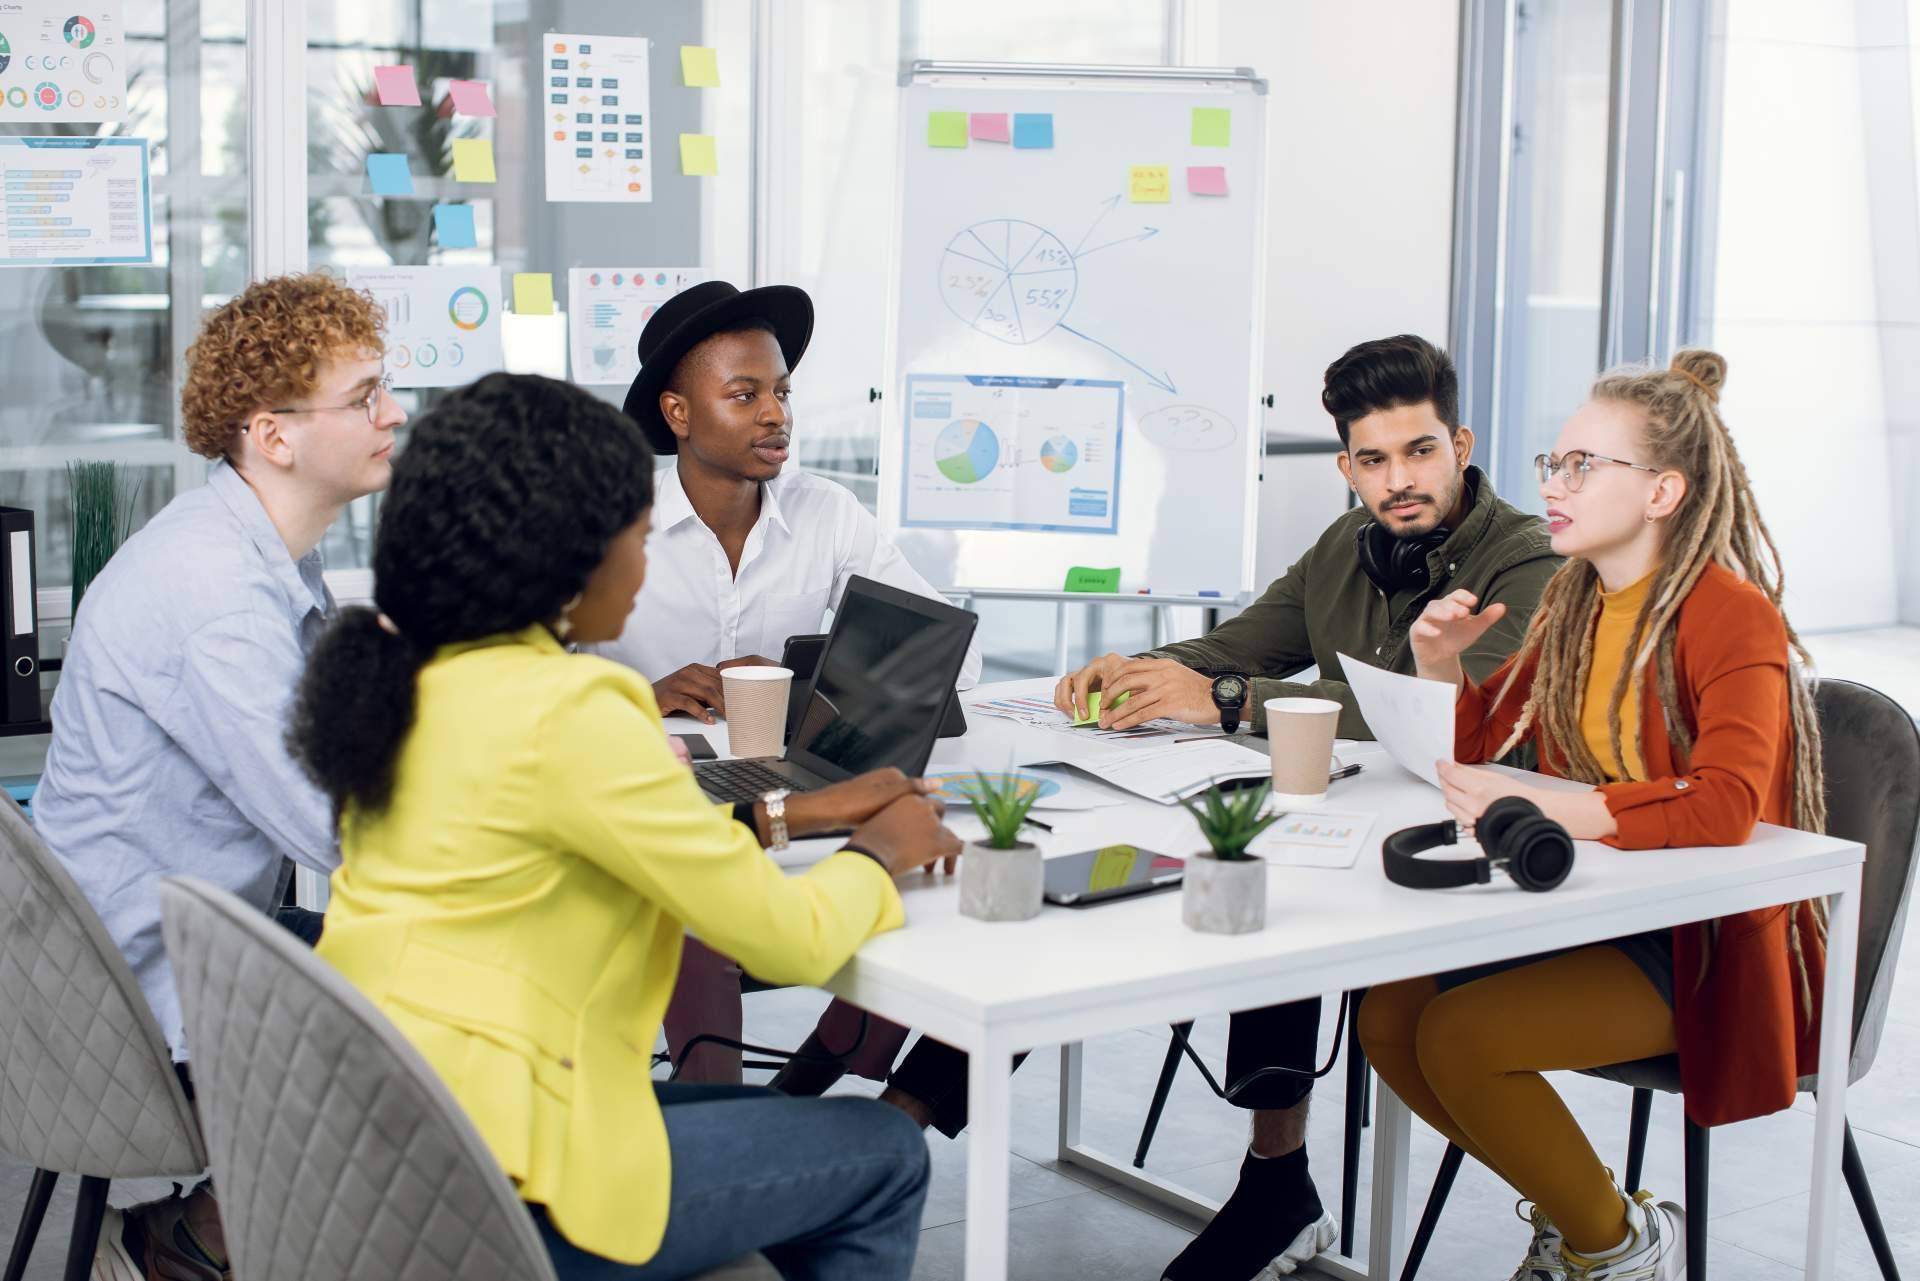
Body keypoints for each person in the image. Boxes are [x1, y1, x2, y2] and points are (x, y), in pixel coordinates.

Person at [883, 335, 1561, 1281]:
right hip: (1346, 819)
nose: (1398, 479)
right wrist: (1150, 669)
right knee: (1111, 873)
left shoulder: (1529, 562)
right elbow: (1242, 645)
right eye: (1373, 459)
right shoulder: (1344, 546)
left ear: (1462, 441)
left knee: (1270, 888)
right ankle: (900, 1123)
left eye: (1419, 451)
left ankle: (1273, 1182)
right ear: (1346, 466)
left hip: (1467, 849)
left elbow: (1472, 711)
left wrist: (1234, 702)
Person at [290, 373, 955, 1280]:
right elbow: (792, 940)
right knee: (884, 1151)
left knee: (720, 1114)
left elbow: (613, 836)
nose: (643, 571)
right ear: (572, 554)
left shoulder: (415, 675)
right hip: (503, 1183)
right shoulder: (572, 707)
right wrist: (882, 852)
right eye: (639, 541)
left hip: (393, 1129)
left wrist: (788, 813)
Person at [1358, 349, 1827, 1281]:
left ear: (1661, 492)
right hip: (1604, 904)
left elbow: (1728, 802)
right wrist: (1442, 659)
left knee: (1462, 1036)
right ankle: (1602, 1220)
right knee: (1388, 1013)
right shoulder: (1577, 600)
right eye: (1554, 462)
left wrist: (1568, 806)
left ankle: (1607, 1247)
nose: (1556, 485)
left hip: (1705, 939)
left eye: (1585, 466)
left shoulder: (1730, 614)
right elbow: (1485, 743)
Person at [33, 273, 405, 1281]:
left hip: (162, 951)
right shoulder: (217, 598)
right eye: (365, 397)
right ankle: (205, 1236)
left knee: (441, 963)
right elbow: (337, 828)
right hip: (138, 1007)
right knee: (458, 988)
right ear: (274, 435)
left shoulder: (257, 556)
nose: (394, 415)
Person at [593, 279, 978, 1092]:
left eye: (782, 392)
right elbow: (539, 664)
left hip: (788, 787)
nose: (777, 414)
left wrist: (805, 691)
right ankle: (717, 1107)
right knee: (690, 908)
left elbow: (954, 655)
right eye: (745, 394)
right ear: (678, 413)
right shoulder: (611, 518)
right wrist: (640, 692)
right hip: (647, 796)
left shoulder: (828, 513)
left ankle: (822, 1072)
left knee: (929, 853)